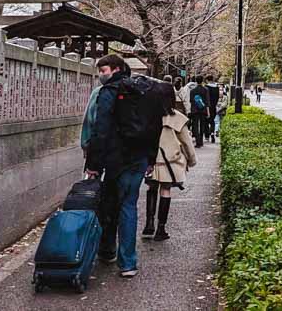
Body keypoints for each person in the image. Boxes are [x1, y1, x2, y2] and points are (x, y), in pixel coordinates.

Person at [85, 54, 170, 278]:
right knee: (129, 206)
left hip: (115, 159)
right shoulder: (146, 93)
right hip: (139, 158)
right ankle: (128, 263)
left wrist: (93, 165)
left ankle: (107, 251)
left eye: (103, 71)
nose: (101, 76)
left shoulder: (109, 92)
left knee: (110, 204)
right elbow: (155, 128)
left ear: (116, 69)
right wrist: (151, 159)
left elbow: (100, 130)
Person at [142, 91, 197, 241]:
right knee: (165, 190)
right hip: (170, 162)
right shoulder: (177, 119)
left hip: (151, 161)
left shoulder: (147, 116)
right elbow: (186, 143)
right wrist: (192, 161)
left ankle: (149, 224)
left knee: (151, 188)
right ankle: (161, 229)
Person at [187, 76, 206, 147]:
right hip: (203, 109)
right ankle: (201, 141)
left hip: (195, 110)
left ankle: (198, 141)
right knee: (202, 125)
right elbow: (207, 101)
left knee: (195, 125)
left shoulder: (192, 91)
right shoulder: (205, 90)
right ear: (202, 81)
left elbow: (191, 101)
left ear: (196, 81)